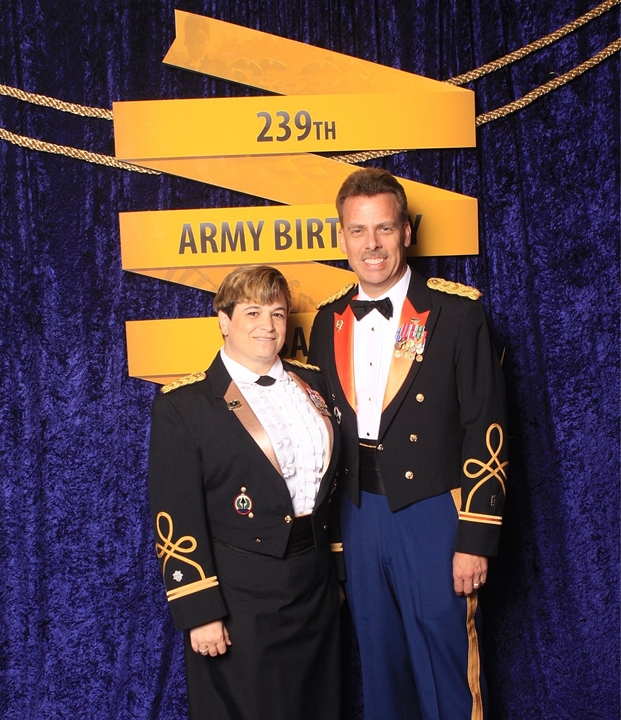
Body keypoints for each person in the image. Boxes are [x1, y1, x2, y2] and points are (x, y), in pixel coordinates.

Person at [308, 168, 508, 720]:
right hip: (359, 514)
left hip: (434, 514)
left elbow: (486, 427)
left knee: (447, 669)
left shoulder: (458, 315)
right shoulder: (328, 322)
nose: (371, 244)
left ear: (407, 232)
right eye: (357, 231)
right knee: (381, 671)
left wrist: (476, 536)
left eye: (384, 229)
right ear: (342, 237)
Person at [148, 265, 342, 720]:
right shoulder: (183, 406)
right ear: (223, 320)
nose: (267, 325)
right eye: (252, 312)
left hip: (314, 587)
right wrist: (199, 609)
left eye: (277, 313)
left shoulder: (314, 384)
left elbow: (337, 486)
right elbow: (175, 511)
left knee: (319, 707)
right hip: (240, 599)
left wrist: (338, 573)